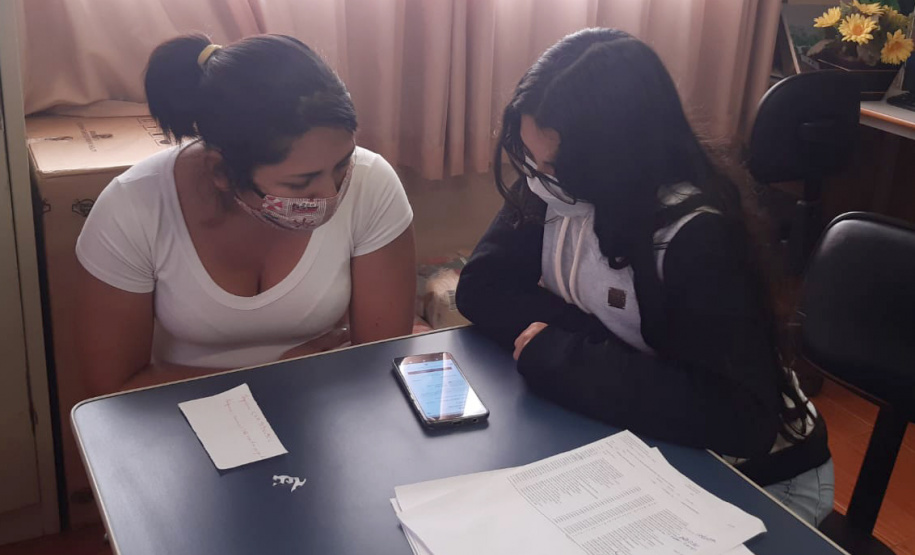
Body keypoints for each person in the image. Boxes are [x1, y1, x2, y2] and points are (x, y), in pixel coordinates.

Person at [455, 28, 833, 526]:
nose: (538, 180)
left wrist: (564, 354)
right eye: (532, 159)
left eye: (554, 165)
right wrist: (594, 341)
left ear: (614, 156)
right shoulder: (556, 183)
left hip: (760, 477)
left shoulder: (695, 235)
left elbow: (740, 418)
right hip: (647, 440)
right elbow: (482, 288)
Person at [76, 34, 415, 395]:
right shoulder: (133, 207)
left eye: (342, 165)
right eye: (300, 183)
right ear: (221, 172)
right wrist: (277, 375)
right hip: (178, 410)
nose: (331, 194)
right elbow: (112, 389)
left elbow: (382, 357)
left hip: (327, 396)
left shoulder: (371, 183)